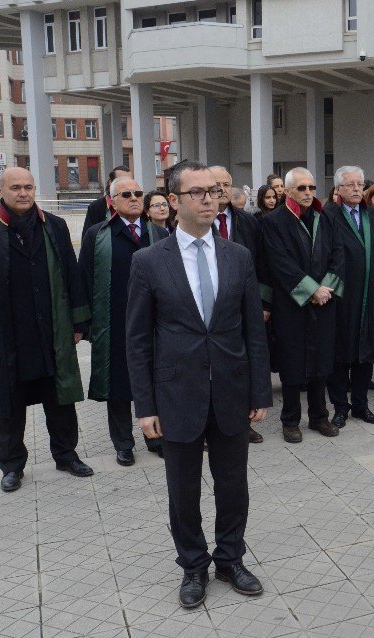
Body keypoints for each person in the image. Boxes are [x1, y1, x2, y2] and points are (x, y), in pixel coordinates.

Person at [126, 159, 272, 609]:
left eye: (213, 191)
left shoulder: (238, 256)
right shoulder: (149, 261)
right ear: (173, 201)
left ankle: (230, 558)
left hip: (231, 390)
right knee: (182, 489)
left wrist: (259, 392)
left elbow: (253, 331)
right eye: (197, 192)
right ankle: (193, 565)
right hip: (177, 394)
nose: (209, 198)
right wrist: (145, 406)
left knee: (233, 484)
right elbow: (137, 340)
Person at [0, 167, 94, 492]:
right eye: (16, 187)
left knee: (60, 398)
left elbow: (72, 275)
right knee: (8, 402)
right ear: (0, 190)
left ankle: (66, 455)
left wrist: (78, 323)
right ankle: (11, 466)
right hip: (10, 336)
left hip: (52, 331)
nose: (23, 193)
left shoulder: (55, 226)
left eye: (28, 187)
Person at [81, 177, 170, 464]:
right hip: (115, 322)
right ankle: (123, 443)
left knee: (156, 380)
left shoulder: (159, 234)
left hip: (154, 323)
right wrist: (85, 325)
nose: (134, 198)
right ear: (112, 201)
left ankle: (155, 438)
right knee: (118, 385)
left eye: (138, 193)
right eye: (126, 194)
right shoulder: (98, 235)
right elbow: (84, 280)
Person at [264, 167, 343, 443]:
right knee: (292, 364)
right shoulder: (274, 221)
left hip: (324, 302)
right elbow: (279, 262)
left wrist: (326, 289)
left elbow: (337, 254)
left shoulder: (326, 217)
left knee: (322, 361)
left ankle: (319, 416)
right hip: (292, 304)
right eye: (302, 188)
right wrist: (311, 289)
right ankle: (290, 420)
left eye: (311, 188)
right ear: (287, 191)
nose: (308, 193)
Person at [211, 165, 273, 443]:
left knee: (241, 367)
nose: (222, 188)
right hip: (209, 312)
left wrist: (264, 303)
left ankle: (241, 423)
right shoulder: (195, 222)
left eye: (227, 183)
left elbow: (263, 265)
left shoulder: (248, 222)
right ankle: (207, 426)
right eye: (217, 183)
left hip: (243, 309)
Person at [323, 166, 374, 428]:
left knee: (366, 353)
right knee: (340, 354)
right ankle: (340, 407)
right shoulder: (328, 215)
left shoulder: (372, 214)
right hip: (341, 296)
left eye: (360, 184)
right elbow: (324, 255)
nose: (357, 189)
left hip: (368, 294)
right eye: (351, 185)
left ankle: (361, 405)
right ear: (338, 189)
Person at [82, 165, 130, 237]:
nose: (127, 185)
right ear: (111, 183)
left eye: (130, 181)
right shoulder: (96, 208)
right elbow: (88, 239)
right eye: (122, 181)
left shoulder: (135, 204)